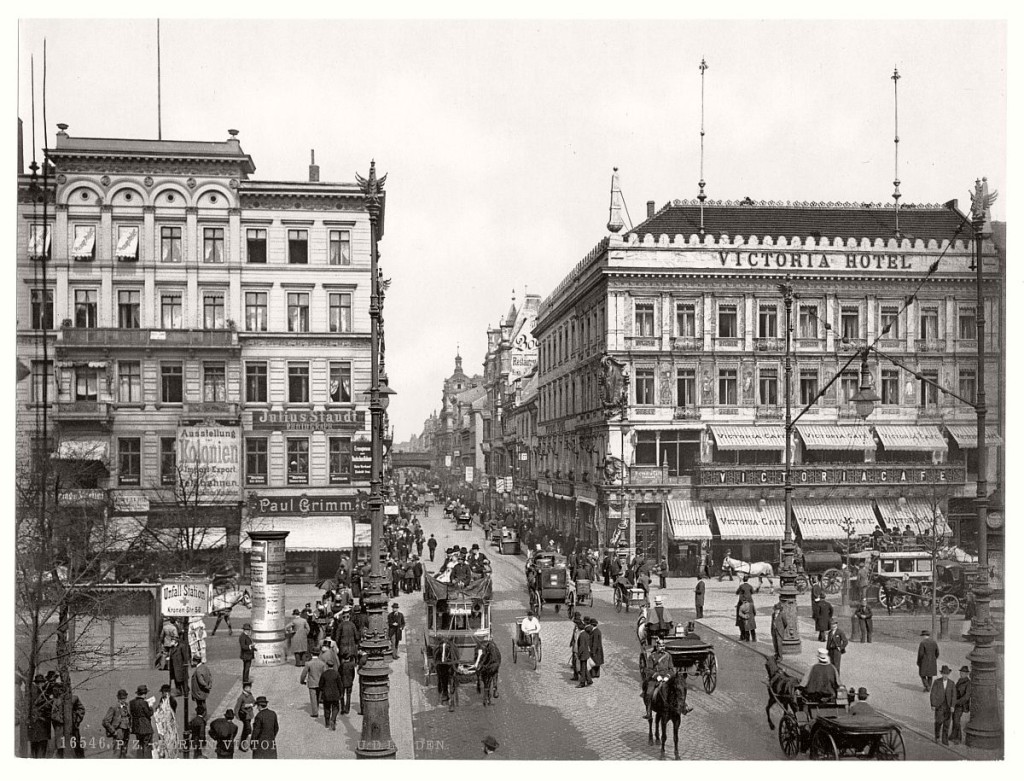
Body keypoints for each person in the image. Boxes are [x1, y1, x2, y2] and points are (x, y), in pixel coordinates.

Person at [642, 638, 678, 721]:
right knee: (648, 693)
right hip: (655, 678)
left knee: (678, 689)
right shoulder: (652, 656)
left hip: (666, 677)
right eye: (660, 646)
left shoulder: (668, 656)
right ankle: (649, 713)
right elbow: (648, 669)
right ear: (657, 647)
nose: (662, 647)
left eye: (663, 646)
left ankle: (683, 707)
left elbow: (671, 669)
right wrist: (656, 676)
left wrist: (667, 677)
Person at [102, 688, 132, 758]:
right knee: (117, 753)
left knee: (124, 752)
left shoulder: (127, 706)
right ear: (118, 698)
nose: (123, 700)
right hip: (118, 732)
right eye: (121, 698)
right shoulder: (114, 707)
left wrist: (130, 727)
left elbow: (129, 717)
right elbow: (105, 721)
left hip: (126, 732)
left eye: (124, 698)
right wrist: (113, 731)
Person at [152, 683, 179, 759]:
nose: (162, 694)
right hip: (162, 724)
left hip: (168, 725)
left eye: (163, 692)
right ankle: (164, 753)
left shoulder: (172, 701)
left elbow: (171, 713)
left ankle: (169, 755)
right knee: (162, 739)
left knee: (169, 740)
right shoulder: (162, 699)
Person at [930, 665, 955, 745]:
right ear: (941, 674)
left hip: (948, 706)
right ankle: (937, 737)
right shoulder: (937, 682)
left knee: (947, 723)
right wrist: (933, 704)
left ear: (948, 674)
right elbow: (933, 693)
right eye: (944, 674)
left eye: (947, 674)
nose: (945, 675)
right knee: (939, 721)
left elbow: (954, 695)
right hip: (939, 705)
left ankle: (945, 740)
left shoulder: (951, 683)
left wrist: (952, 706)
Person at [129, 684, 154, 759]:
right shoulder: (144, 703)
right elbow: (149, 714)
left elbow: (132, 713)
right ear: (144, 694)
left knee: (140, 744)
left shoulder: (132, 702)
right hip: (145, 727)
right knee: (147, 745)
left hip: (137, 727)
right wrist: (151, 707)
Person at [300, 652, 326, 718]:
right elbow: (325, 673)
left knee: (313, 697)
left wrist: (302, 681)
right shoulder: (322, 663)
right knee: (318, 697)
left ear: (312, 654)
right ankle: (316, 709)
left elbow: (304, 673)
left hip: (312, 683)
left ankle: (315, 712)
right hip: (320, 683)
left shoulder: (308, 663)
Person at [319, 658, 342, 730]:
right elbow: (340, 685)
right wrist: (341, 693)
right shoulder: (336, 674)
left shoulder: (324, 674)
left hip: (326, 695)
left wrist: (322, 691)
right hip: (335, 694)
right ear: (333, 666)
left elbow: (320, 685)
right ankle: (333, 719)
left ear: (327, 666)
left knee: (327, 708)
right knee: (336, 708)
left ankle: (327, 723)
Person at [951, 665, 971, 744]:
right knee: (954, 719)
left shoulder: (968, 683)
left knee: (956, 720)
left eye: (963, 673)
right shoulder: (960, 680)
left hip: (961, 705)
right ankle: (953, 735)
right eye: (961, 672)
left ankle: (958, 738)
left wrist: (957, 701)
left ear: (967, 674)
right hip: (955, 703)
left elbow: (966, 697)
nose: (961, 674)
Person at [234, 679, 256, 752]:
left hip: (249, 715)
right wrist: (237, 716)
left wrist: (253, 704)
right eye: (248, 688)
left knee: (245, 730)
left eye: (250, 688)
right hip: (245, 716)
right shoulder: (241, 697)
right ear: (245, 689)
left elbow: (254, 701)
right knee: (248, 730)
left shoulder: (250, 695)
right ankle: (245, 745)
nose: (250, 689)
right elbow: (237, 707)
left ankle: (242, 744)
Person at [576, 617, 593, 688]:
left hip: (583, 654)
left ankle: (582, 682)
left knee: (582, 669)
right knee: (584, 667)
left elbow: (582, 646)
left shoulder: (582, 635)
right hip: (586, 653)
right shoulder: (585, 633)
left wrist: (578, 653)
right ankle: (589, 680)